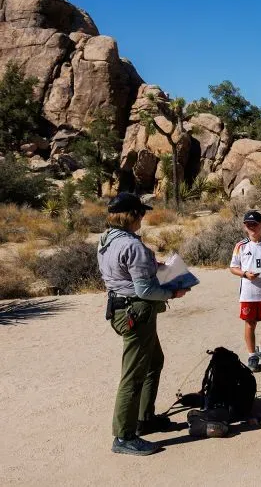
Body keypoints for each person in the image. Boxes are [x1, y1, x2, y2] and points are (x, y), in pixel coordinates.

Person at [97, 192, 191, 456]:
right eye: (140, 213)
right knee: (134, 374)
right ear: (131, 215)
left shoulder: (106, 239)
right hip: (136, 312)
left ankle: (144, 419)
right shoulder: (134, 246)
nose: (143, 218)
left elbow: (124, 273)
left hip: (121, 308)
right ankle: (124, 436)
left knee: (153, 362)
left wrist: (152, 266)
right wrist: (173, 292)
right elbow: (145, 290)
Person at [230, 210, 261, 372]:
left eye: (254, 224)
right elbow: (233, 267)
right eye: (248, 224)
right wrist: (245, 274)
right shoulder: (240, 246)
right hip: (248, 293)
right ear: (245, 227)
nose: (251, 227)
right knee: (250, 324)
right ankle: (252, 355)